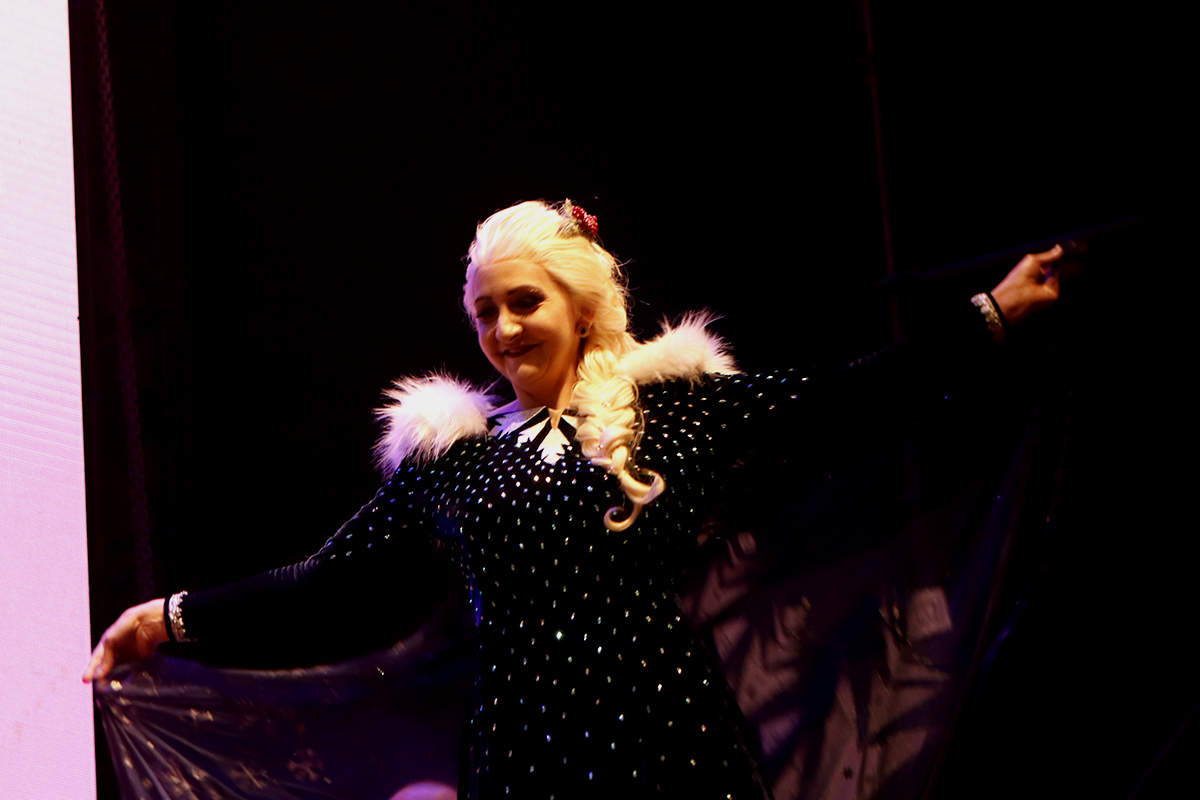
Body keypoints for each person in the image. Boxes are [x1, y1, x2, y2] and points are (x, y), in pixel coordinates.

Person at [84, 199, 1062, 798]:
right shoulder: (454, 455)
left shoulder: (673, 408)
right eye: (485, 312)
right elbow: (326, 578)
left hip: (665, 738)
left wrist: (991, 314)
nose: (504, 329)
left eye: (524, 302)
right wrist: (165, 617)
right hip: (522, 751)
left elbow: (842, 400)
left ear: (579, 304)